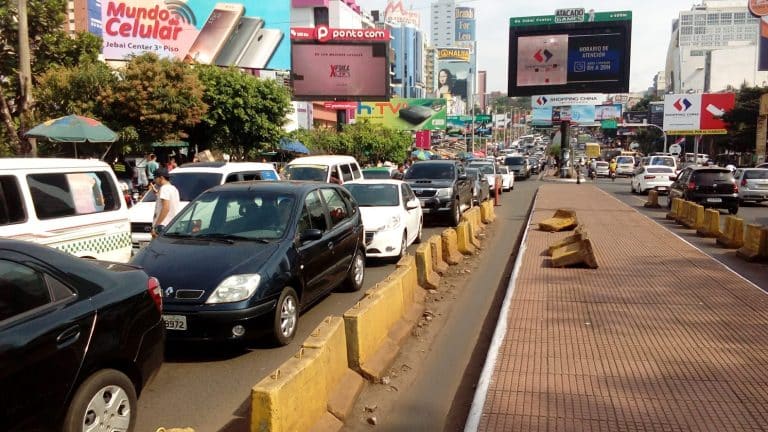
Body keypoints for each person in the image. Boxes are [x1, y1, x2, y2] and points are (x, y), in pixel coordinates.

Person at [151, 167, 180, 238]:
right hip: (172, 226)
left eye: (155, 177)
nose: (154, 180)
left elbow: (166, 208)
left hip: (163, 226)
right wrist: (157, 193)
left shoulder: (164, 189)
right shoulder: (173, 188)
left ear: (161, 178)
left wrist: (156, 226)